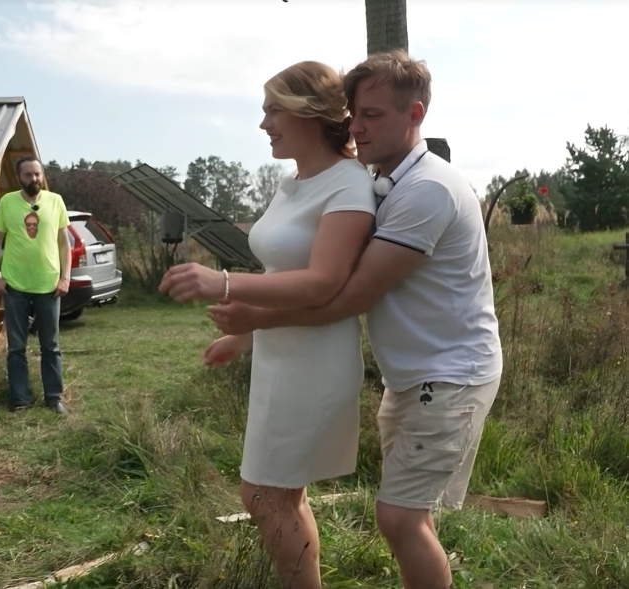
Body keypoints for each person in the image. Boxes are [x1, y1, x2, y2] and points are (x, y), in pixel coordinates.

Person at [206, 50, 503, 589]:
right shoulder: (384, 179)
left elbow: (346, 295)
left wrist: (238, 300)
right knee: (408, 514)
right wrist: (249, 328)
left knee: (399, 517)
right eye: (354, 114)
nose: (356, 126)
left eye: (373, 116)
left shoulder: (426, 190)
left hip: (451, 374)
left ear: (415, 115)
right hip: (414, 374)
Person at [159, 61, 376, 589]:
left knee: (262, 493)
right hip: (282, 353)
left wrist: (224, 282)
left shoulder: (348, 185)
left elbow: (323, 282)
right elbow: (284, 272)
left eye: (273, 109)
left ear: (312, 113)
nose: (264, 123)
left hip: (315, 358)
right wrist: (244, 333)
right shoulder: (292, 183)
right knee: (279, 493)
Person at [0, 156, 72, 414]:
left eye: (37, 174)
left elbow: (63, 243)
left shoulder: (55, 201)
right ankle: (19, 399)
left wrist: (65, 277)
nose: (34, 179)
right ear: (19, 177)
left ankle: (54, 398)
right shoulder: (7, 202)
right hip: (15, 285)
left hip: (49, 284)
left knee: (51, 345)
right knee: (16, 347)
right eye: (28, 175)